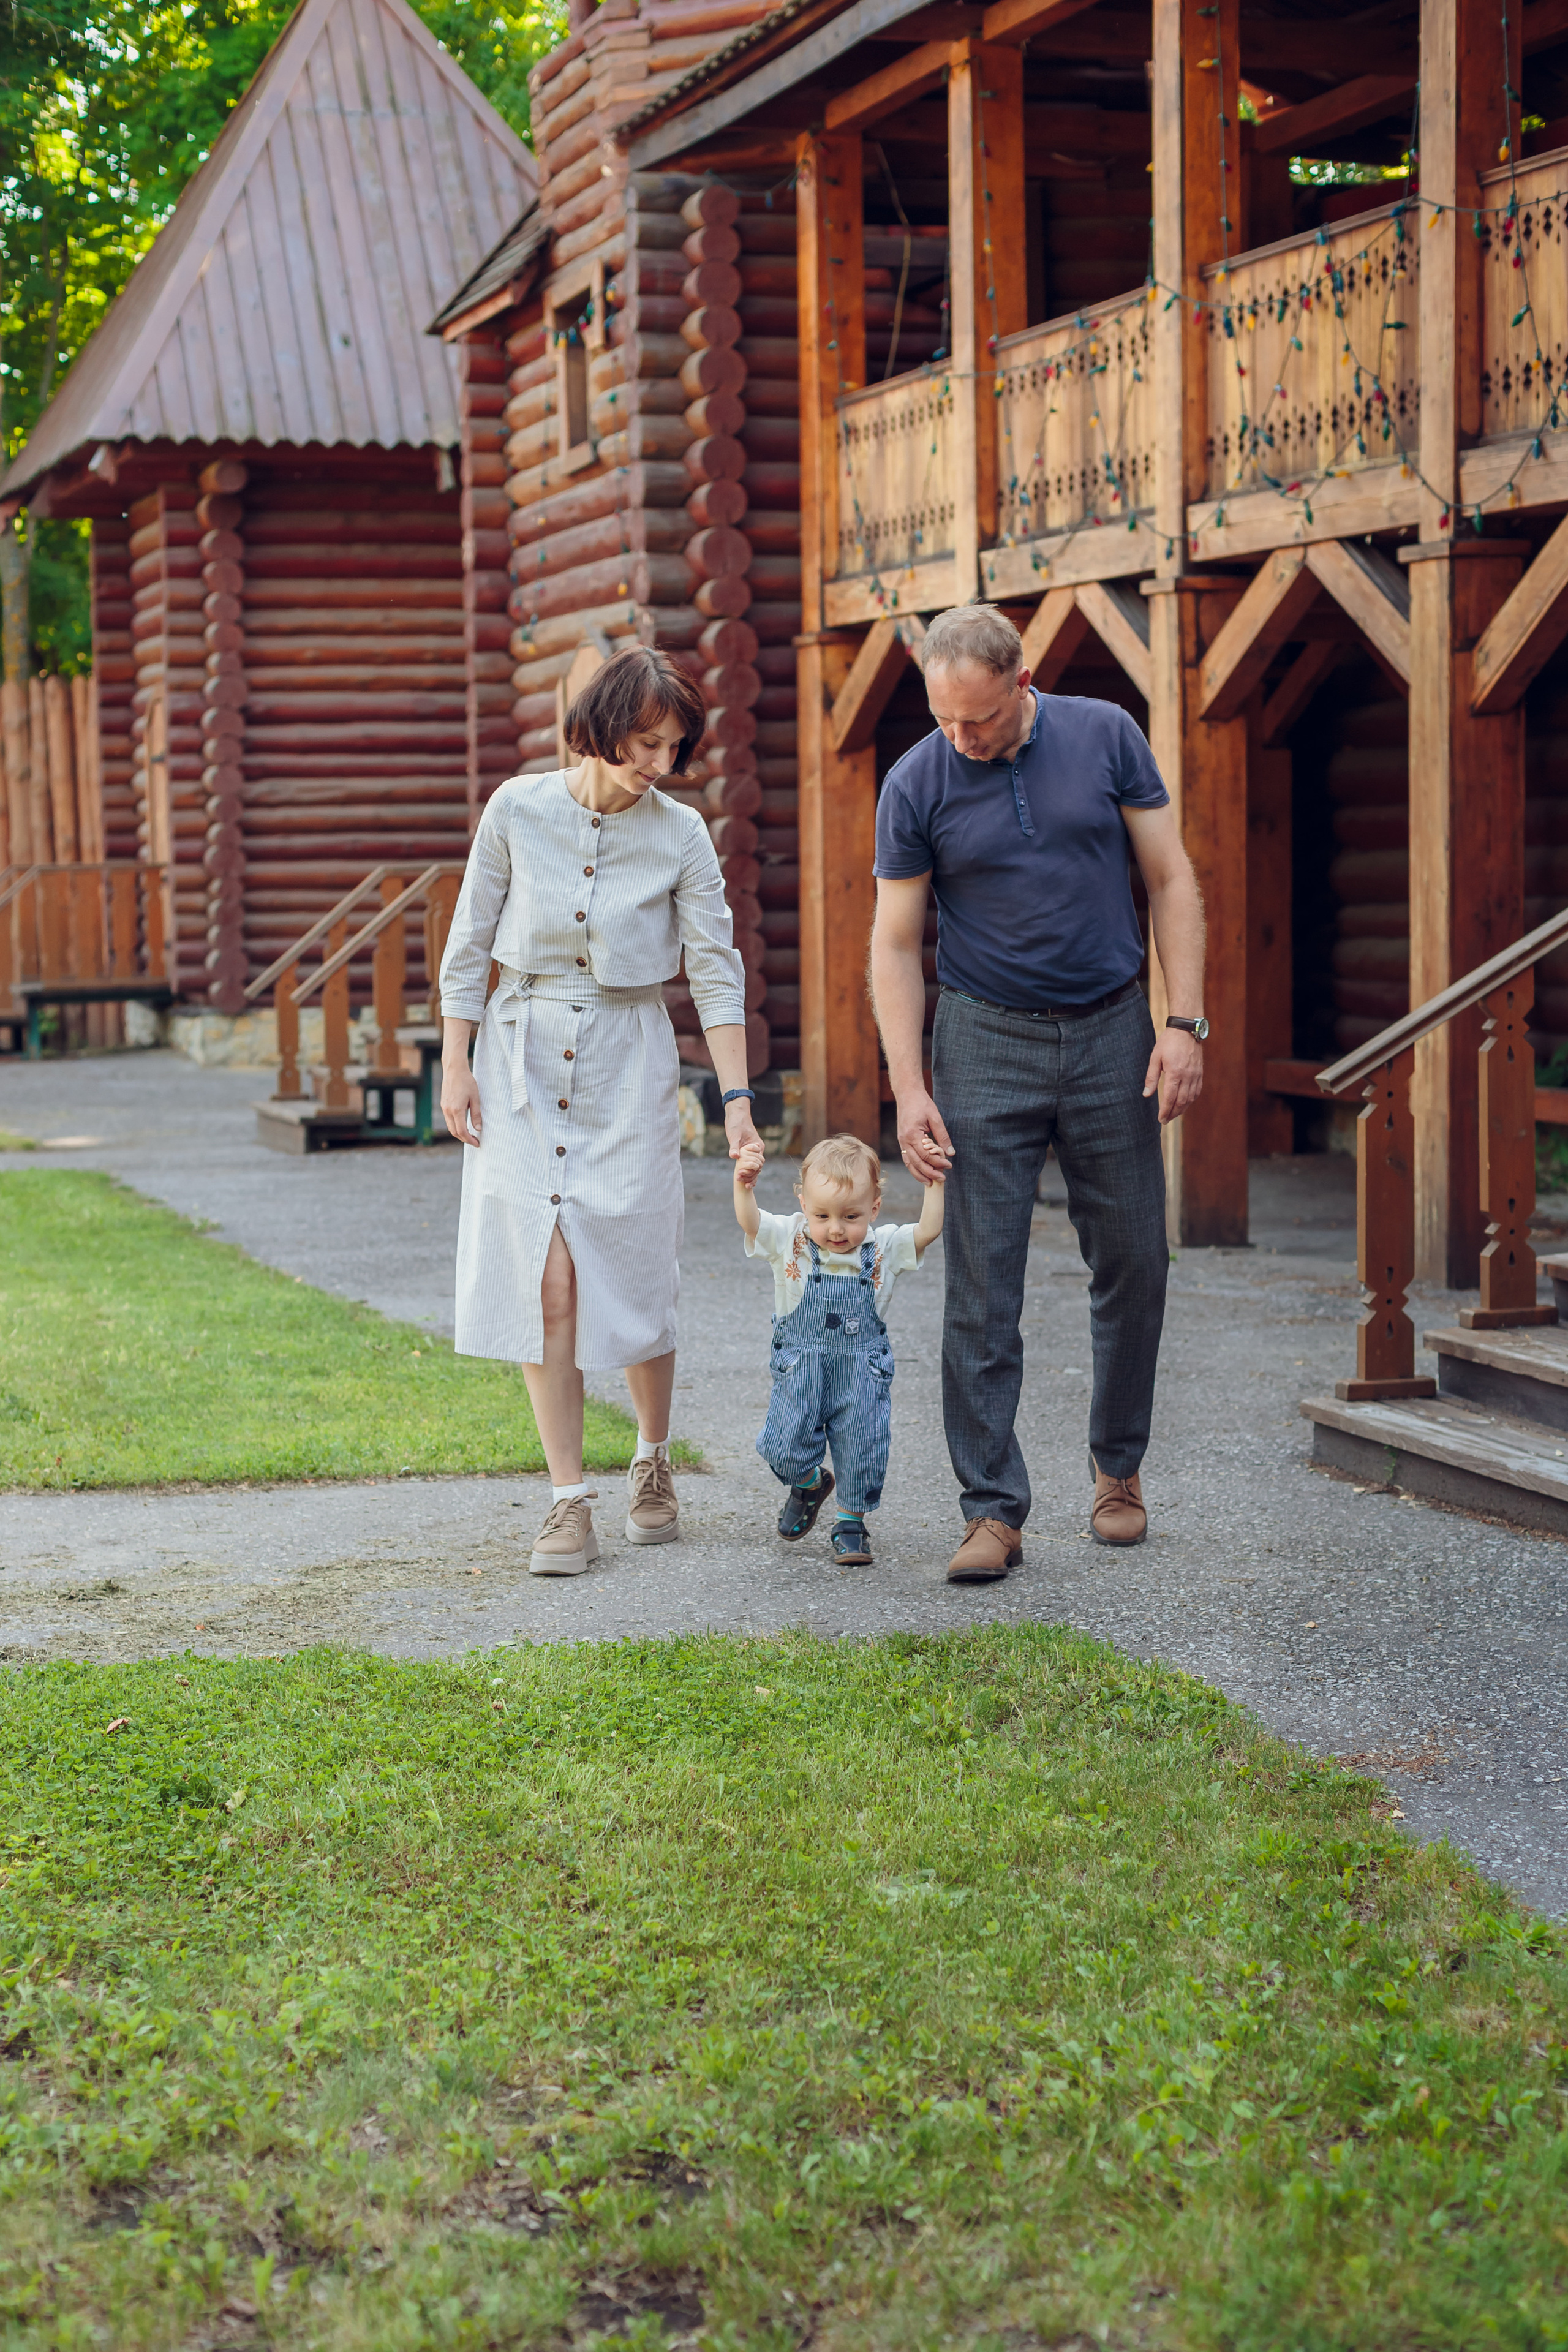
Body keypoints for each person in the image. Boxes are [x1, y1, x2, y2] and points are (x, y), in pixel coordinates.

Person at [868, 603, 1205, 1581]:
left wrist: (1183, 1025)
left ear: (1025, 684)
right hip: (982, 1037)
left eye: (978, 719)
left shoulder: (1106, 734)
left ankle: (1118, 1469)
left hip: (1112, 1030)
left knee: (1136, 1258)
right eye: (944, 719)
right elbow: (895, 942)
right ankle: (992, 1510)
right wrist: (908, 1085)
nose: (961, 739)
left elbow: (1171, 879)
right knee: (980, 1286)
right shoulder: (917, 780)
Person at [439, 645, 763, 1576]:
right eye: (643, 741)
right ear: (599, 725)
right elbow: (469, 947)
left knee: (632, 1263)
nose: (658, 763)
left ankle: (653, 1459)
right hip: (520, 1054)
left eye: (672, 747)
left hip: (629, 1057)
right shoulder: (516, 808)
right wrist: (455, 1065)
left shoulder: (682, 835)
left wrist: (736, 1102)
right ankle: (565, 1500)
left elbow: (715, 973)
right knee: (547, 1281)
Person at [735, 1131, 944, 1564]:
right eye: (823, 1215)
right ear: (803, 1204)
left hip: (860, 1372)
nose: (836, 1229)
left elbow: (928, 1231)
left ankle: (851, 1523)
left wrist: (935, 1184)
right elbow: (751, 1223)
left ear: (874, 1208)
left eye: (851, 1216)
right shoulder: (790, 1239)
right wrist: (743, 1187)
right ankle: (810, 1482)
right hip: (802, 1367)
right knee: (781, 1445)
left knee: (861, 1447)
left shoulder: (883, 1247)